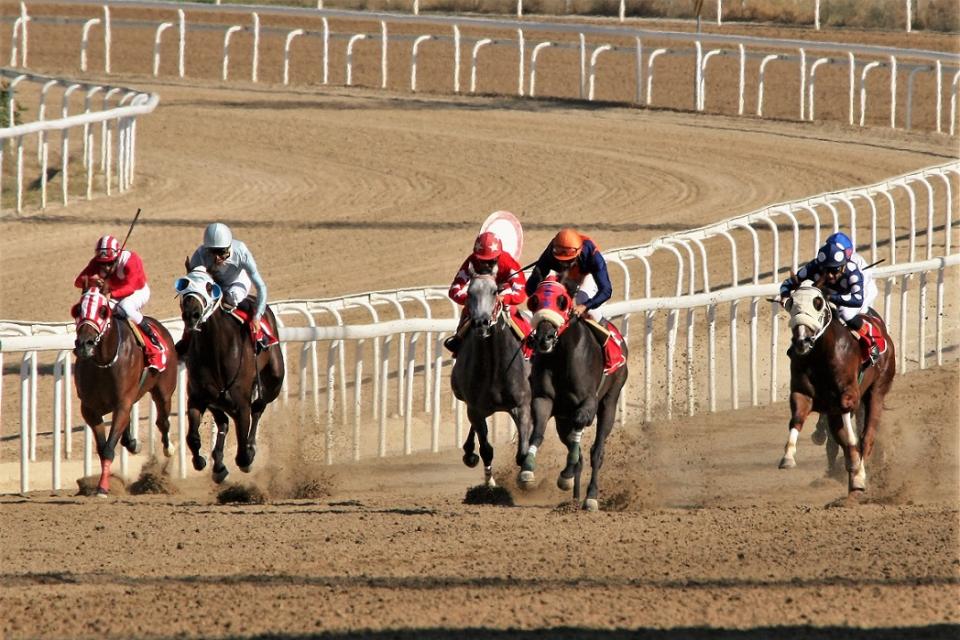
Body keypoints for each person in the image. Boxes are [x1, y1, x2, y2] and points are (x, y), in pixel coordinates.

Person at [525, 227, 624, 372]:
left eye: (568, 260)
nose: (564, 263)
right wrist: (539, 301)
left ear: (578, 252)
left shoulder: (592, 254)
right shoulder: (552, 249)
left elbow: (606, 290)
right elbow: (532, 285)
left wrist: (585, 306)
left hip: (586, 276)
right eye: (560, 260)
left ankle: (612, 346)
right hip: (564, 279)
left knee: (582, 298)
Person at [780, 231, 885, 364]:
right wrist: (784, 295)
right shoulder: (816, 265)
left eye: (834, 270)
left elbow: (857, 299)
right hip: (829, 292)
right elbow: (788, 283)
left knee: (845, 312)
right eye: (825, 270)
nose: (829, 274)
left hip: (857, 293)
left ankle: (871, 340)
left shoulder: (854, 268)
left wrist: (831, 297)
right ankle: (800, 341)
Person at [74, 235, 167, 371]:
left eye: (109, 263)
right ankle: (90, 345)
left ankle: (154, 343)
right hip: (114, 293)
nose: (105, 267)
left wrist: (111, 293)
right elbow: (78, 281)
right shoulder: (96, 262)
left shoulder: (130, 260)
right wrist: (90, 279)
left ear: (117, 257)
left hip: (137, 291)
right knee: (96, 309)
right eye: (102, 263)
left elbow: (132, 285)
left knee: (126, 307)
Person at [180, 222, 271, 355]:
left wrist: (257, 316)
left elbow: (261, 287)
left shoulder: (241, 252)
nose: (217, 258)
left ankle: (260, 334)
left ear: (229, 247)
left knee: (231, 298)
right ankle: (187, 340)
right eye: (212, 252)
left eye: (221, 252)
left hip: (237, 282)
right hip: (212, 285)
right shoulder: (200, 255)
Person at [444, 231, 529, 355]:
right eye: (482, 260)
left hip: (501, 292)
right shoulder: (472, 260)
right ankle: (458, 342)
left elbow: (521, 293)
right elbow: (454, 289)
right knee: (468, 311)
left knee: (511, 311)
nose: (486, 264)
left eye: (491, 261)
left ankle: (527, 345)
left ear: (498, 255)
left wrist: (502, 298)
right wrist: (469, 299)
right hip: (480, 293)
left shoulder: (507, 261)